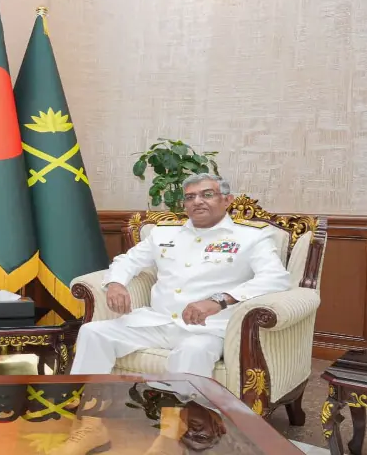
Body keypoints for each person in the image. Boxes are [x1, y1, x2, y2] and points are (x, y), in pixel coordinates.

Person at [50, 173, 291, 455]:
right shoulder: (163, 235)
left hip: (208, 328)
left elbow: (276, 279)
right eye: (190, 197)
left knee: (191, 353)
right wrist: (115, 283)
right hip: (158, 320)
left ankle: (170, 438)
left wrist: (220, 300)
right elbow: (127, 261)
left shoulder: (251, 238)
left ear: (227, 200)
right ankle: (91, 426)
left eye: (207, 194)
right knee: (93, 332)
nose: (197, 201)